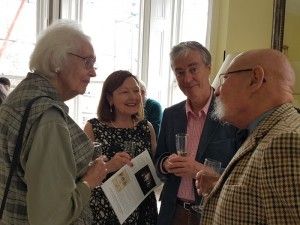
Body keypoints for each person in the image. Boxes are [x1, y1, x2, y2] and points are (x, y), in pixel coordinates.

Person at [0, 20, 108, 225]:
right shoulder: (48, 117)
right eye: (88, 62)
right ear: (57, 61)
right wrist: (89, 180)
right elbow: (51, 217)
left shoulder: (20, 97)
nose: (93, 72)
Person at [198, 48, 300, 225]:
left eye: (226, 78)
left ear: (255, 79)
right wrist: (220, 185)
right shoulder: (267, 130)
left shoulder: (286, 142)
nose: (217, 91)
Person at [154, 41, 245, 225]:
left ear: (209, 68)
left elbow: (241, 174)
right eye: (180, 73)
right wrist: (166, 164)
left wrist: (196, 169)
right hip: (173, 212)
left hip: (213, 213)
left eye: (193, 69)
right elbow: (158, 161)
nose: (187, 79)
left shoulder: (232, 115)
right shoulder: (171, 114)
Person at [83, 70, 158, 225]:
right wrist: (110, 166)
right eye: (124, 92)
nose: (133, 97)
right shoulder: (93, 128)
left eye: (136, 90)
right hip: (105, 210)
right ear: (110, 98)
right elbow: (82, 175)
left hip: (142, 210)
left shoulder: (146, 127)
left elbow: (155, 167)